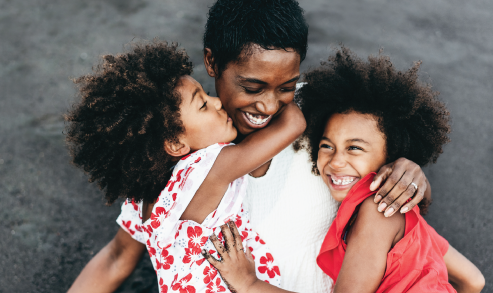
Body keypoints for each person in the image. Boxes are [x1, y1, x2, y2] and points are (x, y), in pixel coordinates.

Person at [67, 1, 432, 292]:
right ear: (212, 62)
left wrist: (411, 173)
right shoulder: (166, 165)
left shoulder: (327, 122)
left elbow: (390, 206)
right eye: (253, 88)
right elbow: (118, 256)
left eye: (287, 86)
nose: (270, 106)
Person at [202, 47, 485, 293]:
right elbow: (472, 281)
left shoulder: (379, 212)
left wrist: (249, 285)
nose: (336, 162)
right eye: (326, 146)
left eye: (355, 148)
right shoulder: (391, 210)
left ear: (391, 157)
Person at [65, 40, 306, 292]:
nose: (217, 103)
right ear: (176, 143)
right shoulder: (210, 168)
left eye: (207, 95)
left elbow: (117, 257)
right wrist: (282, 87)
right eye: (202, 105)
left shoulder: (145, 196)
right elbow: (293, 124)